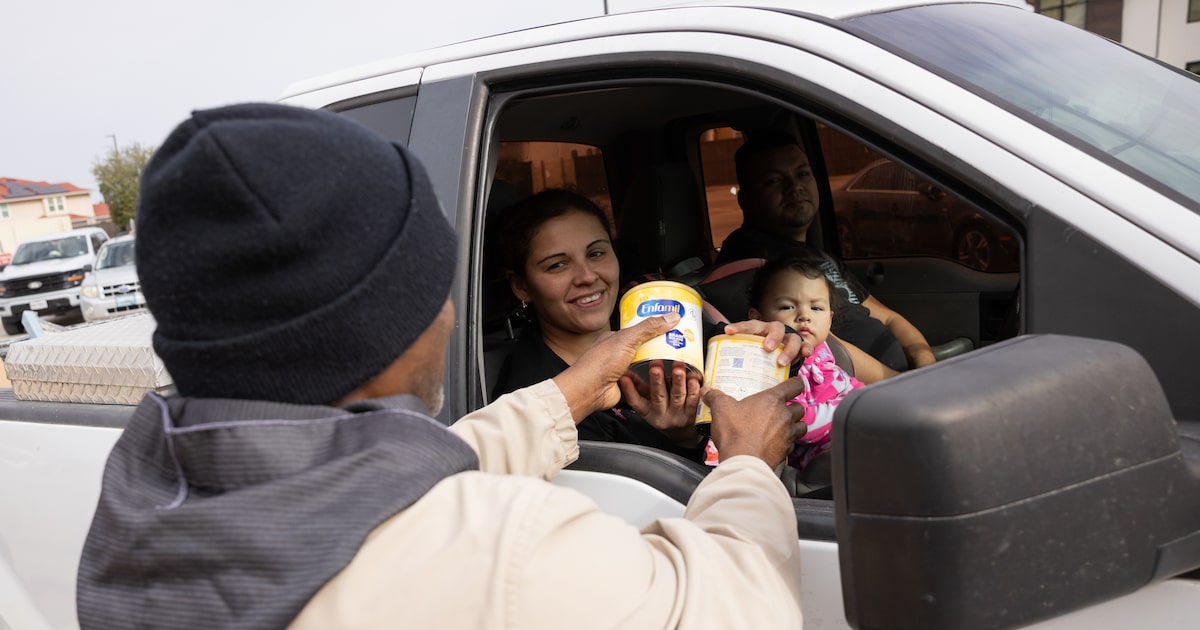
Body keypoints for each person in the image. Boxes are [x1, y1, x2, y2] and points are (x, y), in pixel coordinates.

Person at [75, 103, 811, 630]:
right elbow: (737, 604)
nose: (452, 313)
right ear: (394, 324)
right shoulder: (501, 552)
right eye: (436, 288)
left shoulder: (137, 508)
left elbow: (407, 470)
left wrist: (569, 393)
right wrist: (746, 462)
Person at [492, 189, 789, 464]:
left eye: (596, 253)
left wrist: (776, 344)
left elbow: (749, 362)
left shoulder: (660, 320)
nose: (586, 276)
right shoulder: (535, 399)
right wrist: (691, 443)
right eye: (557, 265)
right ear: (521, 286)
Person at [716, 132, 937, 372]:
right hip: (855, 392)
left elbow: (889, 317)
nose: (795, 187)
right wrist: (898, 383)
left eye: (802, 174)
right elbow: (820, 346)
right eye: (774, 181)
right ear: (745, 200)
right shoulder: (751, 260)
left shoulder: (819, 257)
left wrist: (926, 365)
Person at [747, 256, 894, 470]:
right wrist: (850, 409)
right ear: (757, 319)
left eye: (816, 309)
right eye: (787, 307)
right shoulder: (771, 366)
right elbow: (797, 423)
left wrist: (866, 401)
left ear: (830, 319)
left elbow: (845, 383)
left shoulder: (821, 351)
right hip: (817, 458)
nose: (804, 316)